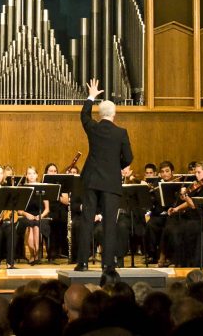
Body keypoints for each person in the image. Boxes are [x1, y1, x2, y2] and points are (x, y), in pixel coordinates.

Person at [75, 78, 134, 273]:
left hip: (91, 179)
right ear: (114, 114)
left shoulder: (93, 128)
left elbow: (84, 116)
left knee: (87, 220)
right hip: (111, 182)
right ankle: (108, 264)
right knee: (110, 222)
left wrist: (91, 96)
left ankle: (82, 262)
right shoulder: (121, 133)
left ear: (100, 114)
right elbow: (129, 157)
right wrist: (118, 166)